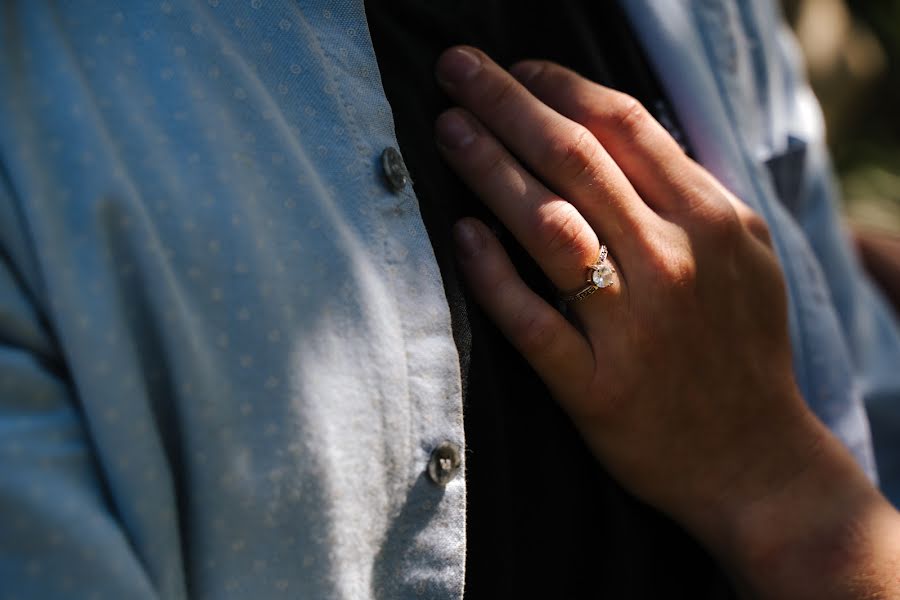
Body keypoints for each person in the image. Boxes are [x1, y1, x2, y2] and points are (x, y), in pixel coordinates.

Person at [0, 1, 899, 599]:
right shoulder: (49, 108)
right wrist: (786, 495)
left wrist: (786, 488)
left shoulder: (702, 21)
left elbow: (865, 403)